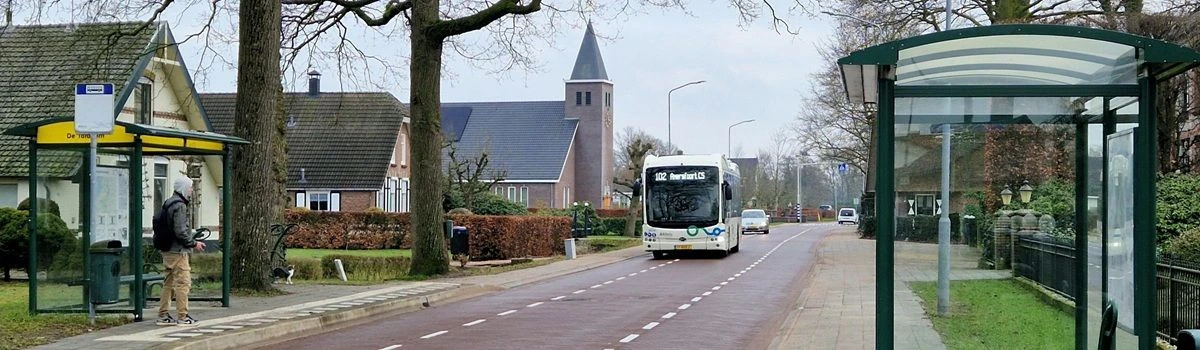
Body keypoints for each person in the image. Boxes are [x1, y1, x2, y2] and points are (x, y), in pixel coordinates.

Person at [155, 177, 205, 326]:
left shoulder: (168, 202)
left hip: (167, 249)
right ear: (183, 188)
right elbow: (181, 231)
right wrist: (194, 243)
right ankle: (183, 316)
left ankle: (163, 315)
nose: (191, 190)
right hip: (178, 251)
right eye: (190, 187)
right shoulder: (180, 206)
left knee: (168, 283)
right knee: (183, 283)